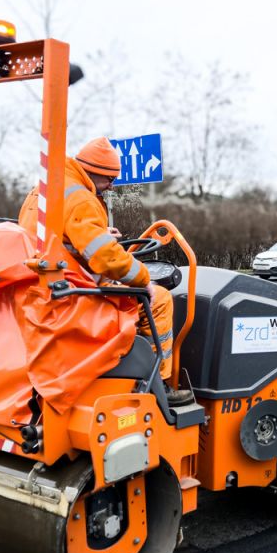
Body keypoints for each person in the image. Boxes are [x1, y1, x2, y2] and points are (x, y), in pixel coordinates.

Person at [18, 137, 177, 383]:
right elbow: (105, 258)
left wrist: (100, 235)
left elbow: (60, 237)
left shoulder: (44, 189)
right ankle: (161, 383)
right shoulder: (81, 198)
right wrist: (143, 280)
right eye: (110, 179)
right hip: (73, 294)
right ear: (92, 172)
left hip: (45, 287)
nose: (111, 186)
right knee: (159, 299)